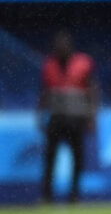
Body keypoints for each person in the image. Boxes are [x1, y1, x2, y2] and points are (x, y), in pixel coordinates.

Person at [38, 30, 99, 203]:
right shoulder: (49, 64)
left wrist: (92, 116)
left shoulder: (83, 62)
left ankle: (74, 195)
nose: (60, 47)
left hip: (76, 116)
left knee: (77, 156)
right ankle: (47, 195)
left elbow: (93, 90)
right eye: (57, 45)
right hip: (56, 117)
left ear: (70, 46)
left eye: (63, 44)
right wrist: (40, 114)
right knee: (50, 156)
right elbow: (43, 91)